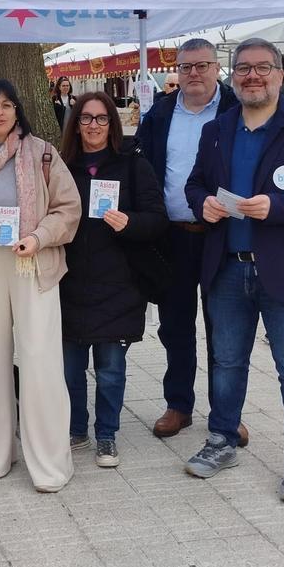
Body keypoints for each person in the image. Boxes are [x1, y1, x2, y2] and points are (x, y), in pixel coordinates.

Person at [184, 38, 284, 503]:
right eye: (244, 69)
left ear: (279, 75)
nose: (252, 76)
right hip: (227, 268)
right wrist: (203, 203)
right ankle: (222, 439)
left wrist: (277, 207)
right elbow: (195, 184)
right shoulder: (217, 129)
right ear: (232, 76)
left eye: (263, 68)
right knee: (226, 362)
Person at [0, 79, 80, 492]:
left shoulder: (42, 153)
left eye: (7, 105)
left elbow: (69, 208)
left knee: (39, 360)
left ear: (17, 111)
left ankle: (50, 464)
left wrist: (39, 237)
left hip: (32, 260)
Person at [135, 38, 241, 442]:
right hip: (173, 236)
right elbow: (143, 169)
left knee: (223, 328)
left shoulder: (235, 109)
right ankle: (178, 405)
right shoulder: (160, 114)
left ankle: (226, 412)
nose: (193, 73)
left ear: (217, 68)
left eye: (202, 65)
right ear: (176, 72)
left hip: (222, 236)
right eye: (185, 67)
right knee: (175, 326)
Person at [58, 92, 165, 467]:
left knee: (110, 371)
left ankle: (107, 435)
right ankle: (75, 429)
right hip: (69, 283)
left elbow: (158, 219)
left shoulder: (133, 165)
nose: (94, 126)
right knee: (70, 371)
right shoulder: (61, 167)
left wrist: (130, 222)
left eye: (101, 118)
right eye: (86, 118)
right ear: (76, 124)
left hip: (119, 284)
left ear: (112, 124)